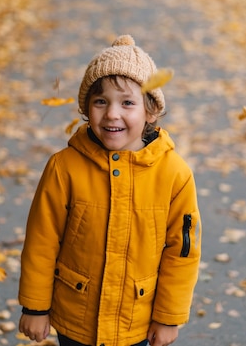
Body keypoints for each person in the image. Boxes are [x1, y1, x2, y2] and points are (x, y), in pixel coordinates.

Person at [18, 34, 201, 346]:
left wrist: (168, 316)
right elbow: (42, 239)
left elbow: (182, 251)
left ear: (150, 111)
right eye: (100, 101)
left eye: (127, 102)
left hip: (137, 317)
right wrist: (35, 306)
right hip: (76, 314)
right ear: (87, 108)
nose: (112, 114)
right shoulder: (64, 168)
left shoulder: (174, 174)